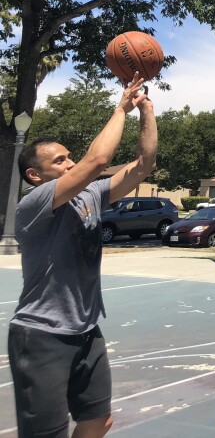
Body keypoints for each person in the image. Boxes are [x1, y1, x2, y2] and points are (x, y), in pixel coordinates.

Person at [8, 73, 156, 438]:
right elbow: (98, 159)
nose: (71, 164)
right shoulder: (34, 203)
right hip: (42, 334)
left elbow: (143, 165)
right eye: (60, 161)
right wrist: (121, 108)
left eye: (70, 157)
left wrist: (146, 110)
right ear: (35, 175)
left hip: (87, 330)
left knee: (98, 421)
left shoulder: (90, 195)